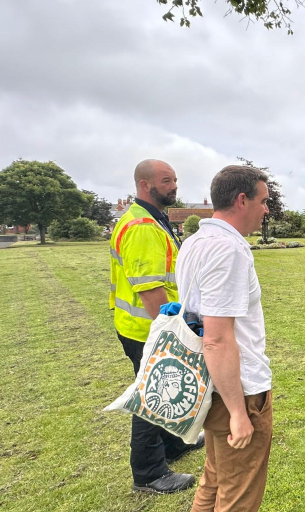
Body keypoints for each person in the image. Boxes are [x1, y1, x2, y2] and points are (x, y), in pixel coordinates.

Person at [177, 165, 274, 512]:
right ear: (242, 199)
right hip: (237, 389)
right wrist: (238, 412)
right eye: (264, 201)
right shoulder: (229, 250)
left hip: (208, 381)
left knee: (214, 478)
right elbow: (216, 339)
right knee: (238, 496)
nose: (267, 210)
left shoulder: (195, 241)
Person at [109, 159, 200, 494]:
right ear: (145, 184)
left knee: (164, 390)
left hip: (138, 326)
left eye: (175, 179)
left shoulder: (148, 218)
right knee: (153, 396)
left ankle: (173, 445)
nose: (173, 186)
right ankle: (148, 473)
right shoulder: (143, 226)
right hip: (147, 327)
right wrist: (174, 332)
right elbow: (150, 289)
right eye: (166, 180)